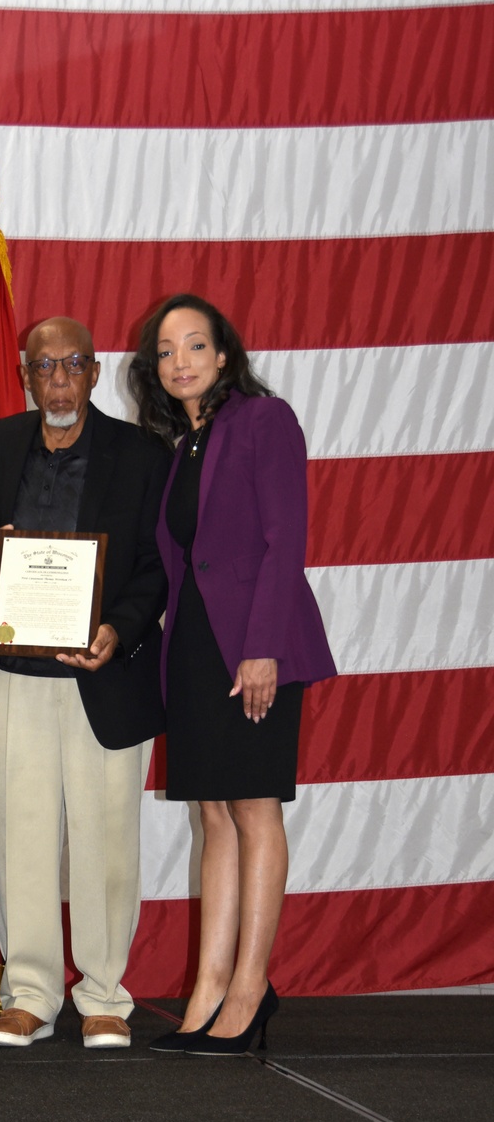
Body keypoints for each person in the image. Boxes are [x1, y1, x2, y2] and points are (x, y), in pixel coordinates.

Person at [128, 293, 336, 1056]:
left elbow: (287, 542)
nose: (180, 361)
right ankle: (207, 990)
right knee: (212, 814)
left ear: (224, 356)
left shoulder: (263, 420)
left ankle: (251, 987)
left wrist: (265, 648)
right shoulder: (181, 445)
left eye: (195, 345)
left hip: (255, 645)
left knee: (254, 808)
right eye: (166, 350)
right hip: (193, 648)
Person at [0, 317, 170, 1049]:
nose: (57, 379)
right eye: (43, 366)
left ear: (94, 370)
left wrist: (121, 631)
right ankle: (29, 992)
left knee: (106, 837)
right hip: (18, 669)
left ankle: (105, 994)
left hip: (104, 670)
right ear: (26, 374)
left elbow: (157, 567)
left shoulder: (142, 454)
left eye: (71, 364)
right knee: (19, 835)